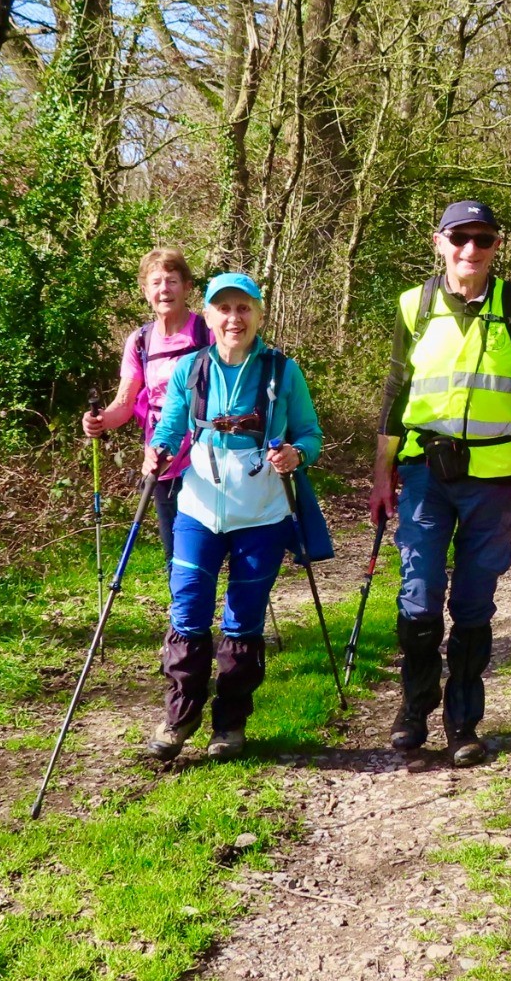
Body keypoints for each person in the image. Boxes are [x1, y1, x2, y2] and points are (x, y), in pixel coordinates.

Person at [370, 200, 511, 766]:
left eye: (483, 239)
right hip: (424, 472)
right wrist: (380, 474)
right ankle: (414, 706)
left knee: (475, 603)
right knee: (419, 594)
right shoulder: (414, 304)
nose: (470, 250)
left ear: (497, 245)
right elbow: (395, 392)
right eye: (459, 238)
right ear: (440, 243)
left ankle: (463, 722)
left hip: (494, 477)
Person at [141, 272, 323, 762]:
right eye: (223, 308)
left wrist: (297, 454)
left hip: (263, 511)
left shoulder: (283, 370)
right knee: (187, 608)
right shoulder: (191, 368)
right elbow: (171, 425)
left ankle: (230, 724)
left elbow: (310, 433)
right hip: (198, 507)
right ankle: (180, 718)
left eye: (244, 308)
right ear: (208, 316)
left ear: (259, 314)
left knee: (243, 619)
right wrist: (158, 449)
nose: (233, 318)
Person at [83, 248, 210, 562]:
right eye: (156, 282)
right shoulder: (140, 341)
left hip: (208, 457)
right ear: (145, 290)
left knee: (215, 550)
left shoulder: (207, 333)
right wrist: (100, 421)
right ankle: (181, 596)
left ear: (187, 287)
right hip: (162, 459)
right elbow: (124, 403)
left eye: (172, 281)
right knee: (176, 555)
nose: (164, 289)